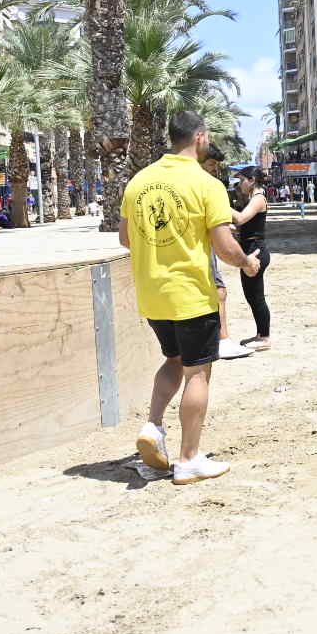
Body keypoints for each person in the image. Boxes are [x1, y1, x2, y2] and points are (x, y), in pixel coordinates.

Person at [123, 110, 261, 486]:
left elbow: (125, 239)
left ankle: (153, 428)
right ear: (200, 137)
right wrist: (247, 263)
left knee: (173, 359)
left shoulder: (139, 181)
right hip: (191, 295)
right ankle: (188, 459)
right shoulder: (206, 184)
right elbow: (225, 246)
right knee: (197, 372)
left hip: (153, 296)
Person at [199, 145, 251, 361]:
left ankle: (220, 339)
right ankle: (222, 340)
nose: (214, 170)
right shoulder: (207, 186)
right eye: (211, 165)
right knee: (219, 289)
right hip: (203, 247)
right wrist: (246, 262)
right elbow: (237, 220)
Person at [232, 165, 272, 352]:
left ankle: (264, 337)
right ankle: (260, 334)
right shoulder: (252, 199)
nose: (239, 184)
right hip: (250, 249)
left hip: (255, 250)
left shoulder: (258, 198)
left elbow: (240, 219)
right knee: (252, 296)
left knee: (256, 297)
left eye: (242, 180)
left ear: (252, 181)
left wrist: (218, 205)